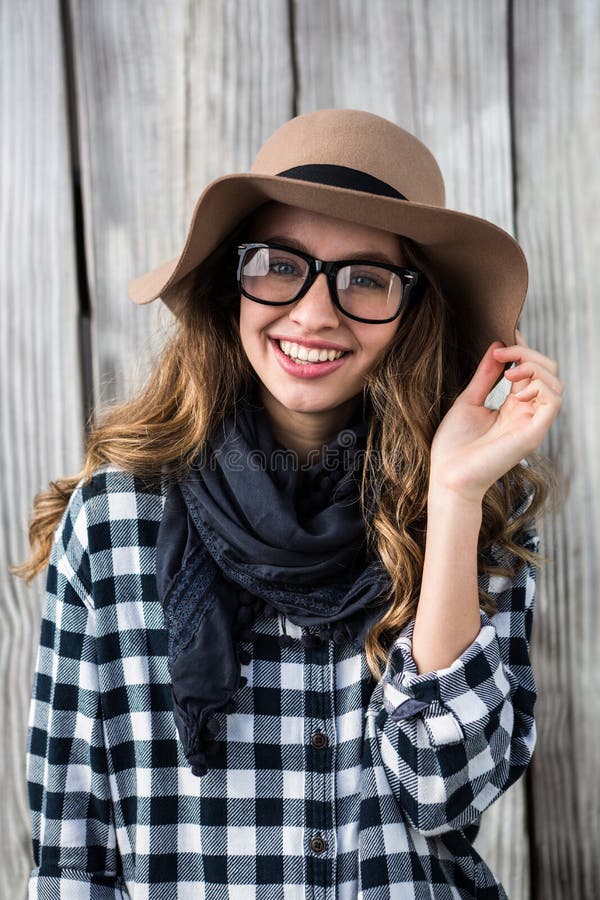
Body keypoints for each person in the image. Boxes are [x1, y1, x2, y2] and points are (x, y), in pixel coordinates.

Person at [15, 108, 562, 899]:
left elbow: (445, 793)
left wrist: (451, 499)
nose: (313, 313)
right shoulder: (113, 523)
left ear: (414, 310)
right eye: (279, 264)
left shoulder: (477, 508)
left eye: (365, 278)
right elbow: (72, 856)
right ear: (230, 284)